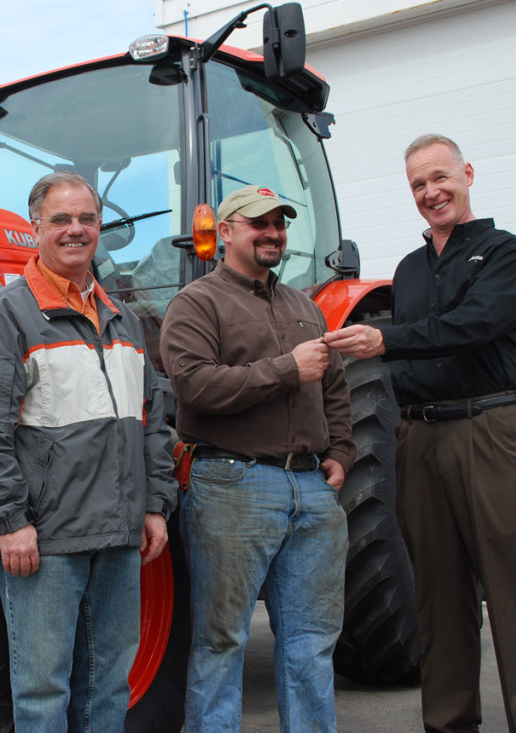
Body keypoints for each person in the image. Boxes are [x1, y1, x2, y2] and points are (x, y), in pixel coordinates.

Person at [324, 134, 516, 732]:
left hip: (489, 430)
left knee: (515, 595)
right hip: (421, 439)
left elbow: (475, 325)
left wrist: (388, 342)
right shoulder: (408, 270)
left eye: (440, 178)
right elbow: (409, 357)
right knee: (438, 597)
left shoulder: (506, 253)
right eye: (418, 185)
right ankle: (449, 723)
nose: (431, 193)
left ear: (468, 175)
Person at [0, 170, 178, 732]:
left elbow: (151, 421)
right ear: (35, 228)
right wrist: (9, 521)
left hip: (118, 536)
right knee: (43, 691)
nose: (76, 230)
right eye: (61, 220)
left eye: (87, 219)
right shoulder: (4, 318)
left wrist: (154, 505)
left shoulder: (122, 320)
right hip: (45, 541)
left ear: (99, 227)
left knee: (107, 687)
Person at [160, 184, 354, 731]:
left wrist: (340, 450)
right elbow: (194, 387)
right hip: (233, 485)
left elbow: (334, 385)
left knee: (312, 645)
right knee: (222, 641)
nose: (272, 233)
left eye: (279, 223)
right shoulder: (196, 303)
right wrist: (287, 369)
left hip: (312, 491)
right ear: (225, 232)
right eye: (258, 223)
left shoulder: (304, 306)